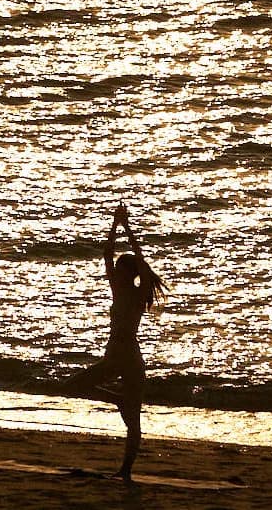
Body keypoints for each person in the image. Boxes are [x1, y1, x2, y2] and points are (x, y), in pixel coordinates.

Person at [64, 201, 165, 482]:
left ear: (127, 274)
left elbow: (141, 264)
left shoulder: (135, 292)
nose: (114, 272)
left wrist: (126, 228)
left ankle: (126, 471)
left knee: (133, 423)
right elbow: (107, 254)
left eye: (119, 270)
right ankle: (117, 400)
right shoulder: (119, 290)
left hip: (128, 357)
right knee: (74, 385)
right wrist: (116, 224)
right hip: (118, 354)